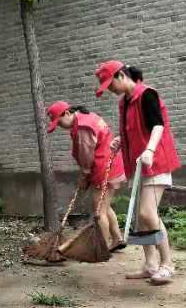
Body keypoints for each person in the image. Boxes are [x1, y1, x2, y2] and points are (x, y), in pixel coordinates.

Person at [95, 60, 182, 285]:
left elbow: (157, 125)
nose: (110, 90)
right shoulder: (125, 102)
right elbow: (134, 130)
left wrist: (150, 149)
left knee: (147, 213)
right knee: (140, 218)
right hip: (139, 165)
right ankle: (150, 265)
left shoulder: (147, 94)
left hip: (156, 161)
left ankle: (167, 264)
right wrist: (120, 141)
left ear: (121, 76)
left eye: (110, 84)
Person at [46, 100, 126, 250]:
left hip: (103, 167)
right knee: (105, 207)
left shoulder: (83, 127)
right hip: (111, 163)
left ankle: (101, 248)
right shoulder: (87, 117)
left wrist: (84, 175)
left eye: (59, 121)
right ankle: (117, 239)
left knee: (98, 211)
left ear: (68, 113)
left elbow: (86, 155)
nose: (59, 126)